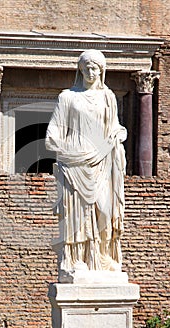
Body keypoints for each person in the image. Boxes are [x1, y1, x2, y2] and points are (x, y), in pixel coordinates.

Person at [45, 49, 127, 281]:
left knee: (105, 210)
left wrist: (118, 136)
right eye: (87, 68)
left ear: (102, 71)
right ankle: (76, 260)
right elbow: (52, 135)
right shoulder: (67, 97)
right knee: (76, 215)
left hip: (102, 162)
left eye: (96, 68)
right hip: (75, 164)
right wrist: (68, 153)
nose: (91, 73)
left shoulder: (108, 97)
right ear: (80, 69)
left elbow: (115, 127)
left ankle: (103, 257)